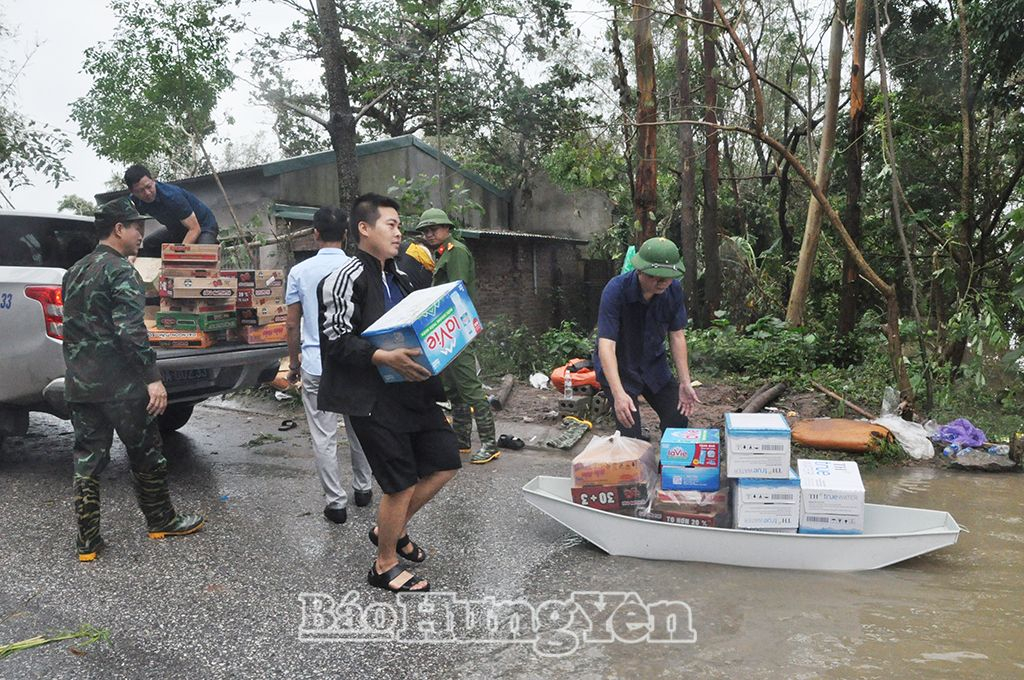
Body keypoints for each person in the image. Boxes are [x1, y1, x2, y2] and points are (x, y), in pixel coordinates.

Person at [318, 193, 461, 593]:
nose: (399, 232)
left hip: (412, 389)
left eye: (400, 225)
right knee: (399, 482)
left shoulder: (403, 276)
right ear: (364, 229)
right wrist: (382, 356)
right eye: (391, 225)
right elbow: (334, 340)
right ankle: (384, 565)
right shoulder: (344, 278)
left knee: (445, 461)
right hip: (369, 395)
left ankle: (388, 529)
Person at [62, 197, 204, 562]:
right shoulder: (121, 271)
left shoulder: (74, 271)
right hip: (120, 387)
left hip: (81, 383)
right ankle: (161, 520)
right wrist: (152, 379)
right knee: (147, 454)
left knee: (87, 460)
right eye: (135, 226)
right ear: (118, 229)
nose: (142, 234)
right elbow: (130, 331)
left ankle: (87, 543)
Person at [285, 206, 374, 525]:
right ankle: (363, 489)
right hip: (353, 360)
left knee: (323, 435)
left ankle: (335, 504)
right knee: (359, 428)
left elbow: (292, 324)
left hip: (315, 363)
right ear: (348, 235)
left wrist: (293, 363)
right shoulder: (358, 268)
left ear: (315, 234)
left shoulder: (299, 272)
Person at [593, 237, 700, 439]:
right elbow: (606, 346)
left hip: (653, 365)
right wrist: (618, 394)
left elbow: (677, 336)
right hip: (620, 368)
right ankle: (633, 450)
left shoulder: (673, 290)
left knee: (677, 416)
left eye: (667, 277)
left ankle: (669, 466)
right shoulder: (615, 290)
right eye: (655, 276)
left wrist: (685, 382)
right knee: (629, 430)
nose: (662, 283)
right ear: (640, 270)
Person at [416, 207, 500, 464]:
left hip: (456, 330)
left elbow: (456, 291)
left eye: (434, 229)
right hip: (446, 331)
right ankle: (461, 439)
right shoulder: (443, 254)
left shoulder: (456, 253)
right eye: (425, 231)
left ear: (447, 229)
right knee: (453, 388)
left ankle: (489, 443)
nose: (429, 234)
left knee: (470, 388)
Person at [123, 164, 219, 257]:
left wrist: (177, 255)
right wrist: (132, 255)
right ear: (132, 192)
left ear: (153, 181)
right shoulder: (135, 201)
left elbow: (194, 229)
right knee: (149, 244)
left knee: (202, 257)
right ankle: (160, 270)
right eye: (140, 191)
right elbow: (138, 226)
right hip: (177, 230)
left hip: (202, 227)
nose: (147, 193)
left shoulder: (172, 197)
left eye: (149, 187)